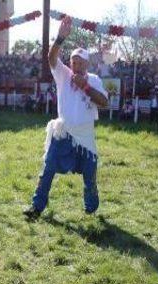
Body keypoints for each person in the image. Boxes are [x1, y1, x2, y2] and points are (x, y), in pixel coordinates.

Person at [23, 16, 108, 220]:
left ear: (87, 64)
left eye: (79, 62)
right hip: (63, 132)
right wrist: (60, 38)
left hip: (85, 137)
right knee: (48, 167)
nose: (75, 65)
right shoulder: (63, 74)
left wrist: (85, 87)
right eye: (73, 61)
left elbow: (104, 102)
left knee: (89, 175)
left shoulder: (94, 80)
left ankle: (91, 207)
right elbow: (51, 58)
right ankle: (37, 207)